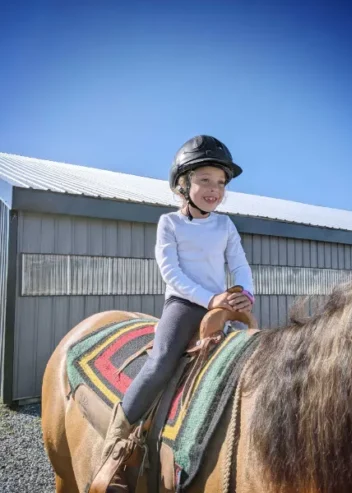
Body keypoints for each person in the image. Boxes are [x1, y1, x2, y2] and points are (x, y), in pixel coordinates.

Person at [94, 135, 255, 486]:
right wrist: (208, 299)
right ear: (183, 185)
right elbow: (172, 273)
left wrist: (245, 294)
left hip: (222, 304)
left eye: (221, 183)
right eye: (204, 181)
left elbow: (239, 264)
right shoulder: (169, 223)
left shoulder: (225, 225)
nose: (214, 190)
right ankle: (115, 445)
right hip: (184, 303)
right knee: (161, 361)